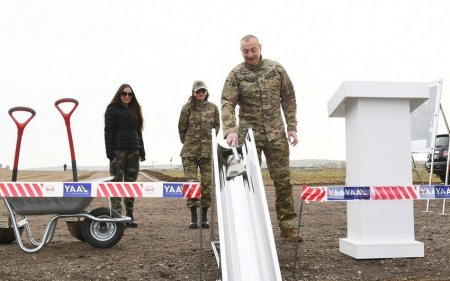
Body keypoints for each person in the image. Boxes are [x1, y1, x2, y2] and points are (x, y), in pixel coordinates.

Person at [221, 34, 302, 241]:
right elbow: (227, 102)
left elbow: (289, 97)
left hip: (276, 134)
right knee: (246, 182)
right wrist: (230, 129)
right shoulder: (236, 74)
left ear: (260, 48)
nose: (249, 54)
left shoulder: (276, 69)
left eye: (253, 50)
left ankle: (288, 227)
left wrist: (291, 126)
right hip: (248, 136)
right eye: (245, 51)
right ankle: (248, 229)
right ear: (241, 52)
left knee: (283, 181)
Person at [178, 80, 220, 229]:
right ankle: (193, 217)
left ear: (207, 92)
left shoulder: (214, 108)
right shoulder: (187, 108)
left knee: (207, 185)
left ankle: (204, 218)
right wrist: (189, 142)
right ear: (193, 93)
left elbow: (216, 128)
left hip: (207, 154)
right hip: (189, 152)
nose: (201, 93)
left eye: (203, 91)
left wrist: (207, 143)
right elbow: (181, 129)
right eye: (198, 91)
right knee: (191, 185)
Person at [104, 83, 146, 228]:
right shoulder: (112, 110)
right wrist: (110, 154)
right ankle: (116, 217)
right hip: (118, 152)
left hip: (134, 151)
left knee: (130, 184)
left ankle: (129, 216)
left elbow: (139, 132)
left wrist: (142, 151)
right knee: (116, 183)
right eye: (124, 94)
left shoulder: (135, 109)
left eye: (130, 94)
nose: (127, 96)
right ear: (119, 94)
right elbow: (108, 131)